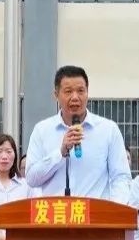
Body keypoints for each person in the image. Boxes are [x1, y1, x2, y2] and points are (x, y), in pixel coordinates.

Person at [25, 65, 131, 203]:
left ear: (87, 92)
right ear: (56, 95)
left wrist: (115, 209)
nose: (75, 97)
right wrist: (60, 153)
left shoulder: (108, 130)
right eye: (68, 91)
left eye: (81, 91)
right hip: (57, 213)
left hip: (95, 213)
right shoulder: (42, 130)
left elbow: (121, 177)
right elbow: (32, 179)